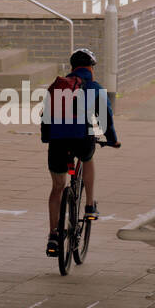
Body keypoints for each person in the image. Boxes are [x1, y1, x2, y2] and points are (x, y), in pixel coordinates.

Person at [42, 48, 120, 256]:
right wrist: (112, 140)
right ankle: (89, 205)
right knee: (88, 158)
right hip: (82, 140)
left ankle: (53, 236)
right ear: (91, 68)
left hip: (58, 143)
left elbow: (45, 117)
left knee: (58, 186)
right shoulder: (94, 87)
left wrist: (48, 138)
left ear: (72, 68)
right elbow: (106, 119)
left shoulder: (57, 87)